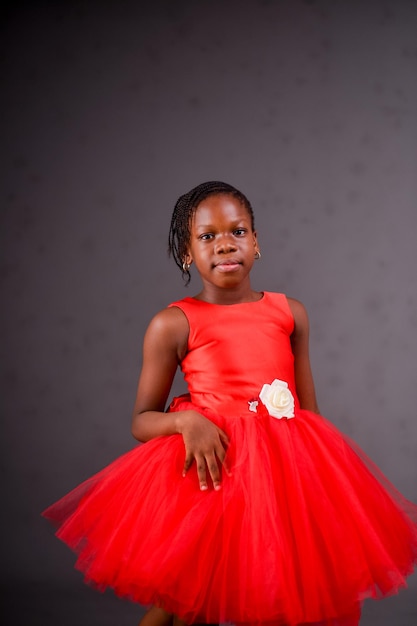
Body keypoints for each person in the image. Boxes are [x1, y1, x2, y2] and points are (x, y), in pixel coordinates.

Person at [43, 181, 417, 626]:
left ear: (256, 242)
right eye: (207, 236)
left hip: (283, 485)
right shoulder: (173, 323)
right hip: (210, 479)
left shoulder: (289, 313)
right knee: (187, 603)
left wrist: (319, 496)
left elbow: (309, 415)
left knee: (292, 598)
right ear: (187, 253)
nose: (225, 245)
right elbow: (141, 421)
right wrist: (185, 423)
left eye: (237, 232)